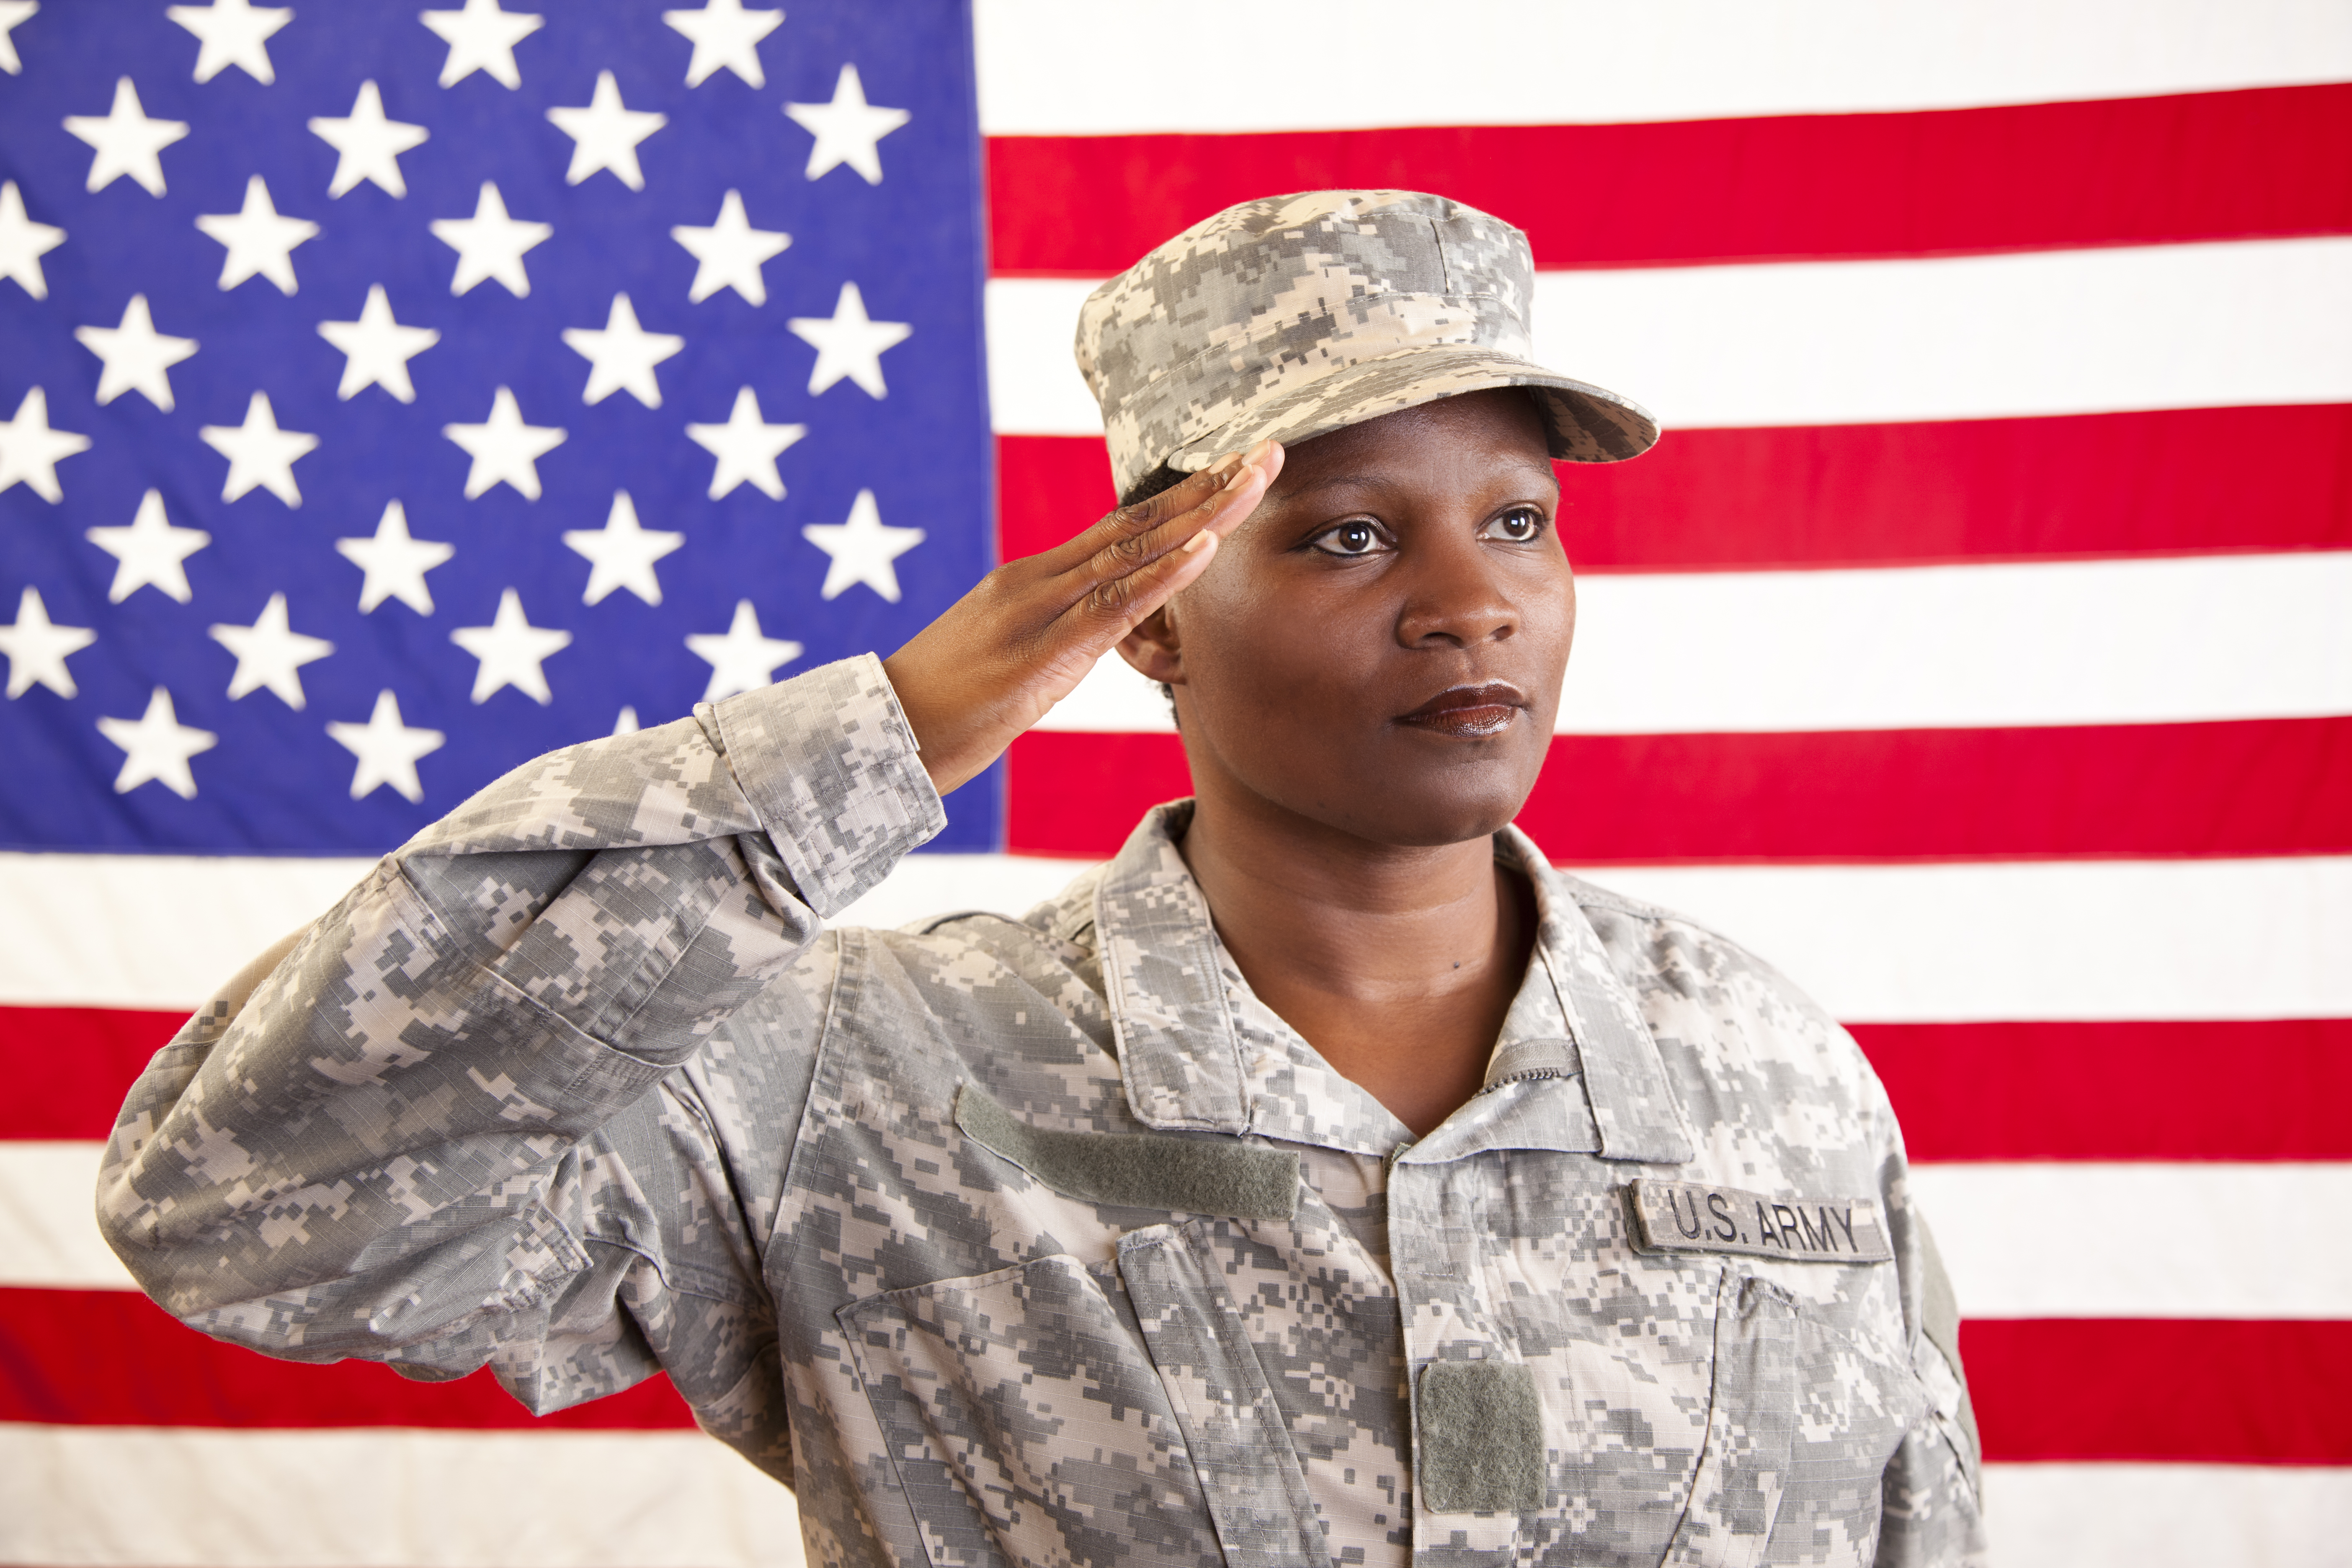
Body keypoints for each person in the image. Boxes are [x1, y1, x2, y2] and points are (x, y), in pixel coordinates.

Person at [99, 191, 1984, 1568]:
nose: (1472, 601)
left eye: (1520, 524)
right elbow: (248, 1206)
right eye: (1344, 534)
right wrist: (870, 744)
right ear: (1151, 623)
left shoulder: (1762, 1062)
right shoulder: (861, 1076)